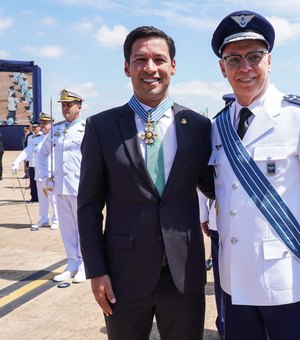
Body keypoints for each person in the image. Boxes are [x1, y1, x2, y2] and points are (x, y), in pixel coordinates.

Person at [77, 26, 214, 340]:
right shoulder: (101, 127)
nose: (150, 68)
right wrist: (96, 271)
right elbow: (87, 206)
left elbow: (216, 188)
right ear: (127, 67)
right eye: (140, 60)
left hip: (184, 274)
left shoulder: (197, 126)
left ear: (173, 66)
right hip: (124, 275)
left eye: (159, 59)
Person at [210, 10, 300, 340]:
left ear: (270, 61)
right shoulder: (218, 127)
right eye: (234, 59)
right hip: (234, 278)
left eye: (254, 56)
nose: (245, 67)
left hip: (287, 278)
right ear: (222, 68)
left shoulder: (295, 117)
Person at [38, 89, 86, 283]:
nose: (65, 108)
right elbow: (42, 154)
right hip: (60, 187)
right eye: (63, 105)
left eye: (69, 105)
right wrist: (45, 177)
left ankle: (85, 263)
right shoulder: (56, 130)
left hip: (80, 186)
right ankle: (72, 263)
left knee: (83, 227)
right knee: (66, 227)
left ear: (79, 107)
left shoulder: (87, 129)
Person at [198, 190, 224, 339]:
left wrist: (203, 214)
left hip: (219, 219)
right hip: (220, 221)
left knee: (222, 281)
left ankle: (224, 326)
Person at [30, 112, 59, 231]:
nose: (42, 126)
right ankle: (43, 218)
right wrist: (17, 161)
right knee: (42, 198)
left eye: (45, 123)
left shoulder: (56, 136)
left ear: (52, 124)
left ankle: (56, 219)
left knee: (53, 198)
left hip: (52, 173)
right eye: (41, 123)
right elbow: (28, 150)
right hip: (40, 174)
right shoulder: (36, 138)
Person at [12, 121, 40, 203]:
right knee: (32, 182)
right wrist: (25, 160)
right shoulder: (30, 137)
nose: (35, 129)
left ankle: (42, 198)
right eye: (33, 127)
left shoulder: (44, 136)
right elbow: (27, 150)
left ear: (39, 127)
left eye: (36, 127)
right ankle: (34, 198)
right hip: (32, 162)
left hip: (40, 164)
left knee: (40, 183)